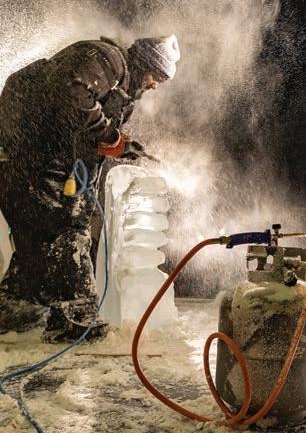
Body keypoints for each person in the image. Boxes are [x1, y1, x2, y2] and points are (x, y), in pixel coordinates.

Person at [0, 35, 180, 342]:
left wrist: (121, 146)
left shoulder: (120, 86)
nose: (154, 85)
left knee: (38, 238)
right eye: (157, 76)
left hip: (37, 158)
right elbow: (75, 91)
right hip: (31, 156)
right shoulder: (108, 60)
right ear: (145, 63)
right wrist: (108, 135)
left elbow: (86, 130)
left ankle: (15, 307)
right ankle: (77, 318)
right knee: (68, 229)